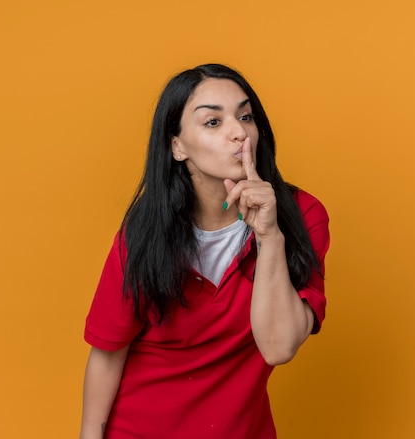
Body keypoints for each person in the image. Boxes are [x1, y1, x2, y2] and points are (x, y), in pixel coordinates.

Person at [79, 63, 330, 439]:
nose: (239, 132)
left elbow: (278, 347)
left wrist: (270, 235)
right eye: (213, 122)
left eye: (245, 116)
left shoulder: (301, 216)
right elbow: (108, 352)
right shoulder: (143, 232)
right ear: (177, 146)